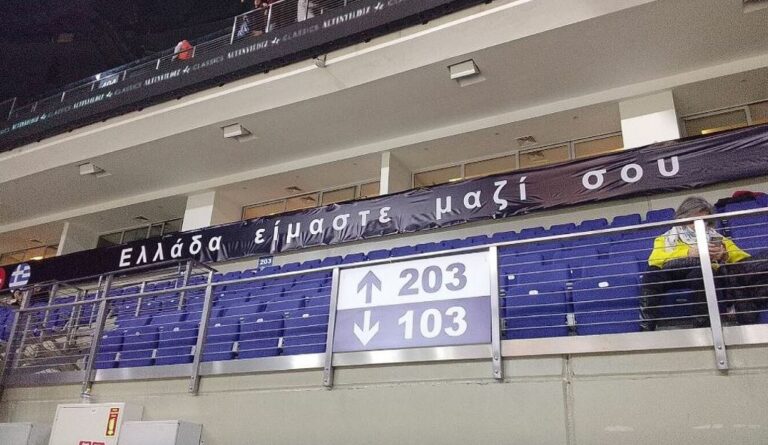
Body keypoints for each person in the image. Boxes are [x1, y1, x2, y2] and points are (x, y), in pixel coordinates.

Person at [641, 197, 766, 329]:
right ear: (682, 218)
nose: (698, 224)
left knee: (703, 274)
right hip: (673, 272)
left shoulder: (717, 238)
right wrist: (689, 253)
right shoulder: (665, 238)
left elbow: (743, 259)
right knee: (652, 274)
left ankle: (703, 327)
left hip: (699, 272)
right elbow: (655, 260)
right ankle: (646, 326)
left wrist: (723, 255)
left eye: (703, 220)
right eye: (693, 220)